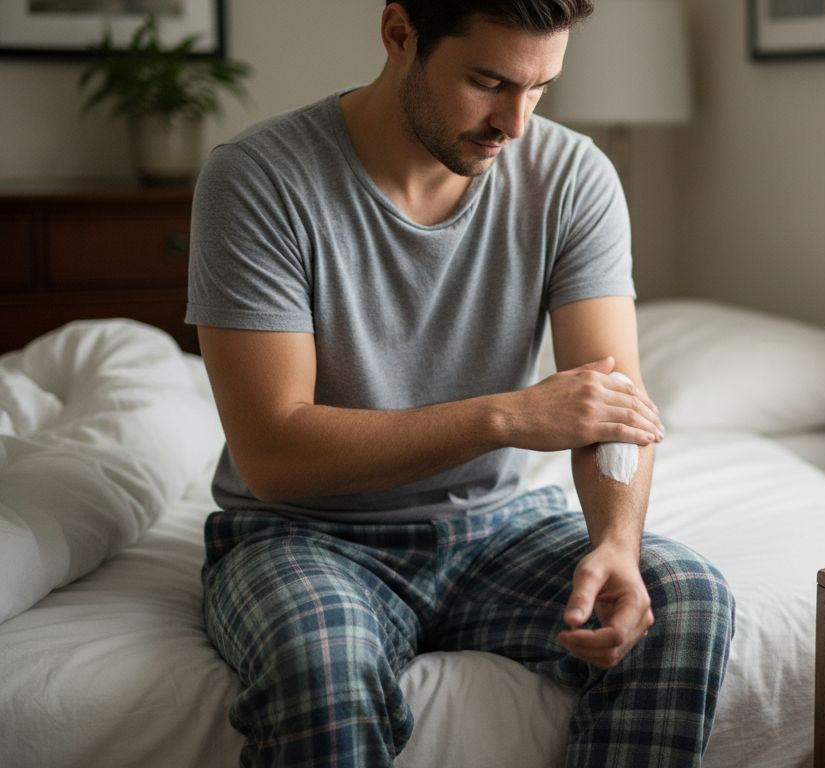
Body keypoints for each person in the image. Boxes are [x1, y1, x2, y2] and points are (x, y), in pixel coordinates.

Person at [184, 1, 735, 765]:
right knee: (321, 662)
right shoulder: (259, 179)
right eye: (488, 82)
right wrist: (506, 417)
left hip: (491, 530)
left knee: (683, 598)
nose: (514, 121)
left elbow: (613, 409)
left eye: (540, 88)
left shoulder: (573, 177)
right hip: (304, 536)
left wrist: (614, 542)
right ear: (399, 33)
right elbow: (275, 456)